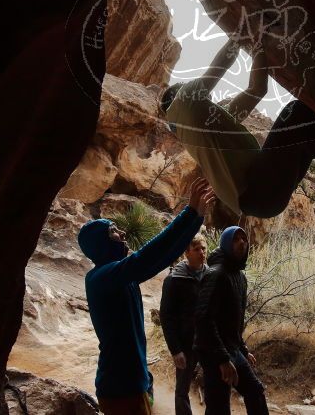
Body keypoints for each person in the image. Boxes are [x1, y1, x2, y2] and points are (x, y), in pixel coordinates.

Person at [160, 37, 315, 219]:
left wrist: (259, 49)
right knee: (294, 113)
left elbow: (257, 90)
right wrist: (242, 33)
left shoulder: (209, 124)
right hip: (257, 191)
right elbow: (220, 66)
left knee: (303, 128)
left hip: (265, 199)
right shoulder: (181, 103)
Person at [78, 178, 216, 415]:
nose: (121, 232)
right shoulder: (101, 278)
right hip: (120, 389)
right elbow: (148, 256)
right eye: (112, 231)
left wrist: (197, 218)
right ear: (99, 243)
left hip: (134, 382)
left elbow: (163, 257)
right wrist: (189, 212)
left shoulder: (119, 276)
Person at [194, 226, 267, 415]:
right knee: (219, 407)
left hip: (232, 349)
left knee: (255, 392)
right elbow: (204, 320)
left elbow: (232, 321)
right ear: (226, 243)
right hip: (213, 353)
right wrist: (222, 359)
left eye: (244, 238)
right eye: (236, 239)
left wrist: (242, 348)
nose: (242, 242)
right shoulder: (215, 274)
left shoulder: (240, 277)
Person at [160, 235, 209, 415]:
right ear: (187, 253)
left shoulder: (211, 276)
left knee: (213, 385)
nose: (202, 253)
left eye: (203, 248)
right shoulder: (174, 280)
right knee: (182, 389)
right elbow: (167, 316)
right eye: (197, 249)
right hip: (186, 343)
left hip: (208, 341)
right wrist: (175, 350)